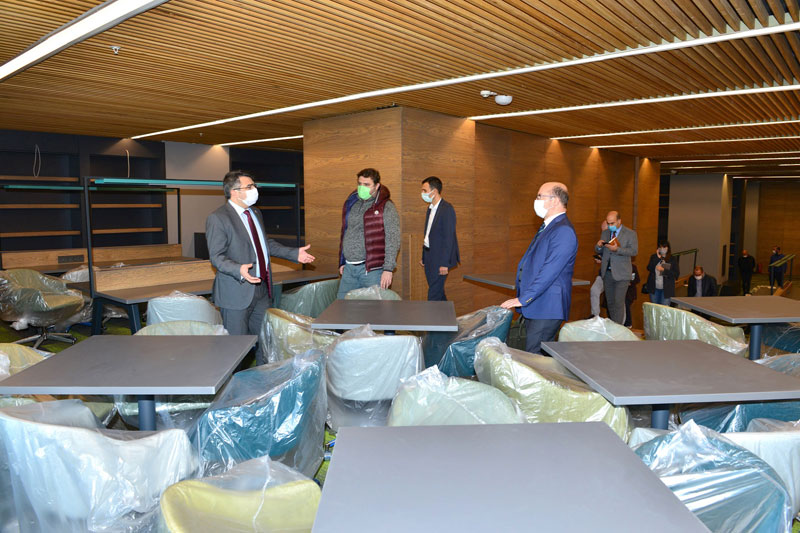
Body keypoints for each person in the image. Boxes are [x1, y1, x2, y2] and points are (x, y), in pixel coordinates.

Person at [206, 170, 315, 364]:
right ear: (235, 192)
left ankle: (261, 380)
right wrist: (238, 269)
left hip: (261, 289)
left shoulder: (255, 212)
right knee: (236, 350)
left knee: (265, 344)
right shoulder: (218, 218)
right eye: (249, 187)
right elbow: (216, 256)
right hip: (236, 292)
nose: (254, 190)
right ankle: (236, 383)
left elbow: (265, 243)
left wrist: (293, 253)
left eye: (254, 186)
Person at [501, 182, 577, 354]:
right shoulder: (549, 226)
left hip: (548, 306)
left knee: (535, 358)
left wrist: (524, 298)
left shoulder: (563, 231)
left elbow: (550, 271)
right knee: (532, 354)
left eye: (539, 196)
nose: (536, 201)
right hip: (538, 304)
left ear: (554, 200)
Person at [337, 168, 401, 299]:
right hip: (349, 269)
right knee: (342, 306)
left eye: (366, 185)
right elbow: (346, 232)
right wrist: (342, 260)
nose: (362, 188)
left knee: (373, 309)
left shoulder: (386, 207)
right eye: (360, 184)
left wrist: (388, 269)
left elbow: (393, 239)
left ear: (377, 186)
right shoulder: (352, 203)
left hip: (372, 271)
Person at [419, 176, 460, 301]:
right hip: (429, 256)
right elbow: (428, 234)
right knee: (438, 292)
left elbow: (449, 238)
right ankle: (448, 314)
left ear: (434, 191)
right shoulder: (430, 208)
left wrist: (444, 263)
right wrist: (424, 257)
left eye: (425, 190)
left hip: (440, 259)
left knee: (433, 295)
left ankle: (432, 314)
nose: (422, 193)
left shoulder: (446, 209)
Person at [595, 211, 638, 324]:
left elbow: (634, 251)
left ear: (619, 221)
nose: (610, 226)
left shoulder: (630, 233)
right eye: (608, 223)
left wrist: (617, 249)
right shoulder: (605, 233)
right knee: (610, 303)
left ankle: (617, 328)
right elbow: (599, 250)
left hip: (622, 274)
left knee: (618, 303)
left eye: (612, 223)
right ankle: (613, 325)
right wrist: (598, 246)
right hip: (607, 273)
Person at [644, 240, 680, 306]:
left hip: (666, 290)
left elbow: (676, 274)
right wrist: (658, 258)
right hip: (654, 289)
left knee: (664, 309)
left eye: (664, 247)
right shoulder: (654, 257)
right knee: (655, 308)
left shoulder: (672, 259)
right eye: (660, 247)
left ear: (668, 248)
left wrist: (664, 270)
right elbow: (649, 268)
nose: (662, 249)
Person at [589, 220, 608, 318]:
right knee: (594, 290)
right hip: (603, 274)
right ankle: (595, 316)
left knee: (617, 300)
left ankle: (622, 323)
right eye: (602, 230)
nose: (603, 232)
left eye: (605, 230)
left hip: (615, 275)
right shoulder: (602, 241)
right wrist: (600, 259)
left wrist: (603, 259)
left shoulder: (617, 240)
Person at [624, 264, 640, 328]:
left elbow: (637, 279)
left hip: (629, 293)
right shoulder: (618, 266)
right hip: (620, 291)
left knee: (626, 305)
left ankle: (628, 324)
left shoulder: (633, 267)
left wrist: (630, 282)